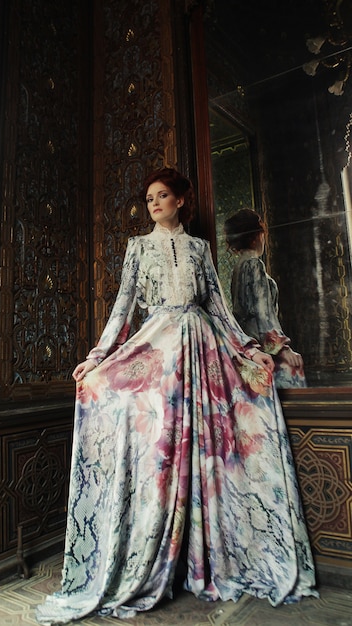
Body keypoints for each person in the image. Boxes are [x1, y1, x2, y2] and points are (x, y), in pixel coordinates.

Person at [36, 169, 317, 624]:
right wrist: (98, 356)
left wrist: (250, 350)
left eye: (163, 195)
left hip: (200, 349)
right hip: (156, 348)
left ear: (181, 200)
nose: (155, 203)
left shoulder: (200, 250)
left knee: (207, 446)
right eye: (149, 197)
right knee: (159, 450)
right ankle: (151, 553)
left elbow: (219, 308)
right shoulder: (137, 248)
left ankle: (207, 557)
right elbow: (123, 307)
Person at [224, 208, 307, 389]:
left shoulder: (239, 266)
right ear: (257, 236)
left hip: (247, 341)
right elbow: (263, 313)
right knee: (293, 368)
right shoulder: (254, 264)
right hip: (260, 344)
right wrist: (283, 349)